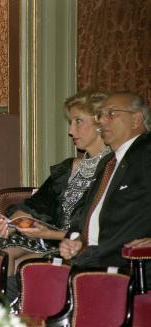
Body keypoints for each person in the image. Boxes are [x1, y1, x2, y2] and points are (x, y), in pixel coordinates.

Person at [0, 91, 112, 275]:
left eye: (78, 121)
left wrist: (50, 234)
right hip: (48, 241)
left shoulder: (114, 169)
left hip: (82, 247)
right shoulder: (68, 169)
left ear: (99, 124)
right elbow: (35, 206)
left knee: (26, 265)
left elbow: (102, 229)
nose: (71, 131)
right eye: (70, 123)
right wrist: (9, 225)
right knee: (1, 254)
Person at [60, 92, 151, 288]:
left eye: (111, 114)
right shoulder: (108, 163)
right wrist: (75, 240)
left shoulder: (146, 153)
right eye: (100, 115)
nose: (102, 121)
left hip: (126, 264)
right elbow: (84, 212)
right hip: (88, 260)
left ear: (136, 119)